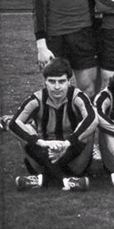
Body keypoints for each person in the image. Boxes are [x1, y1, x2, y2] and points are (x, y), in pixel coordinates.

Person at [9, 58, 97, 191]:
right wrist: (43, 143)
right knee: (25, 129)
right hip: (43, 153)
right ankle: (66, 181)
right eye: (52, 82)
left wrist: (67, 143)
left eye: (61, 81)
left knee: (88, 130)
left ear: (69, 81)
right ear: (45, 82)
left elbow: (92, 119)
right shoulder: (37, 99)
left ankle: (40, 179)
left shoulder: (78, 97)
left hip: (73, 158)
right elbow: (13, 124)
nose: (57, 87)